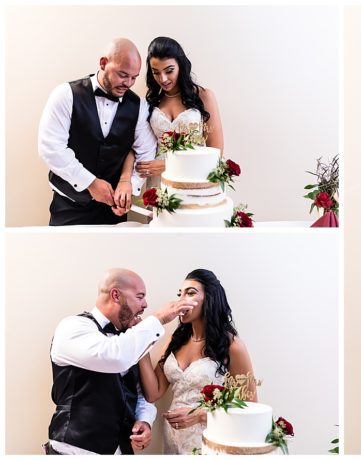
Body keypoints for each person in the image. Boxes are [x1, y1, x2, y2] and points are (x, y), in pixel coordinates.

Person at [46, 269, 196, 454]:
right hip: (74, 450)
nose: (145, 304)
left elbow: (138, 392)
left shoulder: (127, 339)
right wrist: (158, 318)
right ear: (116, 295)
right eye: (140, 297)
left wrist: (144, 420)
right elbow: (115, 357)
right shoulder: (73, 327)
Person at [38, 38, 158, 225]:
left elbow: (145, 153)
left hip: (112, 212)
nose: (128, 83)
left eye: (134, 77)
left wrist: (129, 186)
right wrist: (91, 183)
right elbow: (51, 148)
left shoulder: (140, 107)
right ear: (103, 63)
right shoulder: (65, 95)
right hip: (68, 206)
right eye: (123, 74)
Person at [137, 269, 256, 454]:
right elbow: (153, 393)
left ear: (209, 299)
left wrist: (199, 415)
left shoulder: (232, 346)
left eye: (190, 293)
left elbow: (251, 409)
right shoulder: (175, 340)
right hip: (173, 439)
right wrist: (141, 343)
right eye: (180, 294)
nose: (181, 300)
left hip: (209, 439)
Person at [113, 36, 224, 211]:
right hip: (158, 183)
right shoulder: (149, 101)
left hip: (193, 180)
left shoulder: (204, 97)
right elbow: (134, 146)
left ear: (180, 65)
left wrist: (167, 165)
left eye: (169, 70)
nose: (163, 79)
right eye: (156, 72)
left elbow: (215, 153)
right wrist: (125, 180)